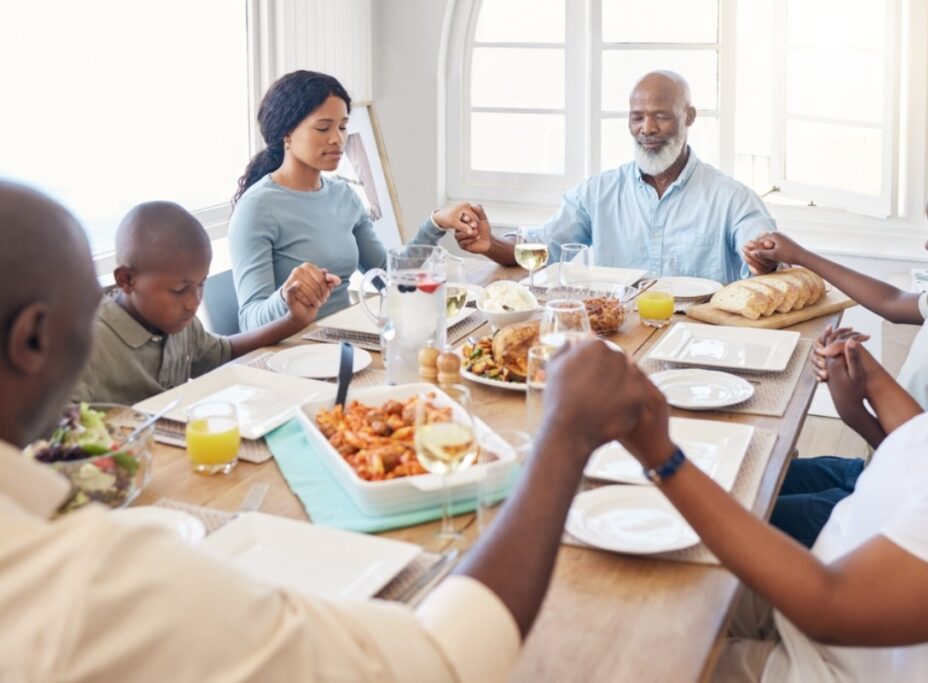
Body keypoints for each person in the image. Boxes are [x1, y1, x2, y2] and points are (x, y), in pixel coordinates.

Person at [0, 180, 658, 681]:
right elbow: (441, 659)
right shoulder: (84, 583)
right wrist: (564, 435)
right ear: (32, 337)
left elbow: (218, 349)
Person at [622, 188, 928, 682]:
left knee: (628, 643)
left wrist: (658, 452)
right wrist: (870, 378)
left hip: (823, 661)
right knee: (644, 579)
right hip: (812, 610)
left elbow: (831, 607)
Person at [745, 155, 928, 548]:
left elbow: (925, 468)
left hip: (898, 500)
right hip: (876, 471)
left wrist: (854, 407)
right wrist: (803, 256)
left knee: (745, 510)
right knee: (748, 473)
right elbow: (893, 301)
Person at [450, 70, 777, 283]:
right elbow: (541, 247)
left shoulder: (733, 199)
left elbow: (767, 262)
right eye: (637, 117)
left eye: (660, 117)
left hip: (697, 339)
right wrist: (488, 243)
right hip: (613, 339)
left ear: (688, 116)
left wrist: (764, 262)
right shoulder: (597, 192)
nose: (646, 129)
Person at [229, 70, 472, 331]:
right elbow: (249, 322)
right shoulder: (256, 209)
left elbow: (388, 276)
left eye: (343, 127)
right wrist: (287, 297)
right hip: (290, 354)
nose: (338, 139)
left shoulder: (342, 195)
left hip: (347, 345)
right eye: (323, 128)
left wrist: (436, 224)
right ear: (286, 134)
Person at [71, 201, 328, 405]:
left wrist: (292, 321)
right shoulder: (86, 345)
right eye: (179, 289)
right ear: (127, 280)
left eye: (201, 284)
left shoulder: (181, 324)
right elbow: (54, 436)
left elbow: (224, 352)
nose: (193, 303)